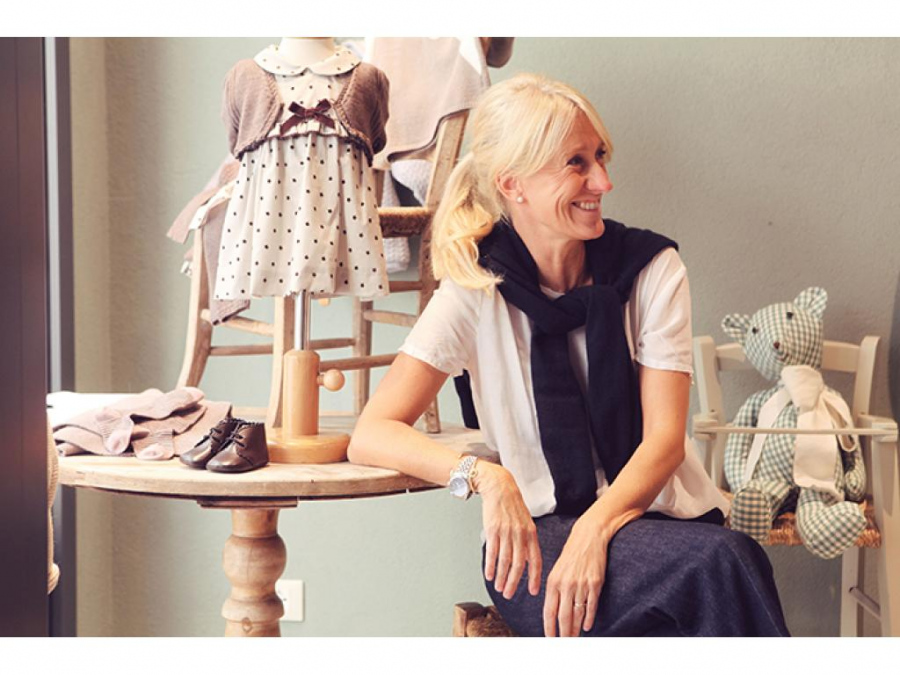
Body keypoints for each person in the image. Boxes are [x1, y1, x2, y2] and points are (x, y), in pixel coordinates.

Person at [348, 73, 790, 637]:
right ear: (514, 184)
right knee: (721, 566)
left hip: (655, 517)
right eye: (576, 163)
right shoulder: (475, 289)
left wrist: (594, 529)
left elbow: (663, 441)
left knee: (715, 567)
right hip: (538, 542)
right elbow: (373, 433)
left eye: (599, 156)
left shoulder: (652, 270)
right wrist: (487, 478)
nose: (603, 181)